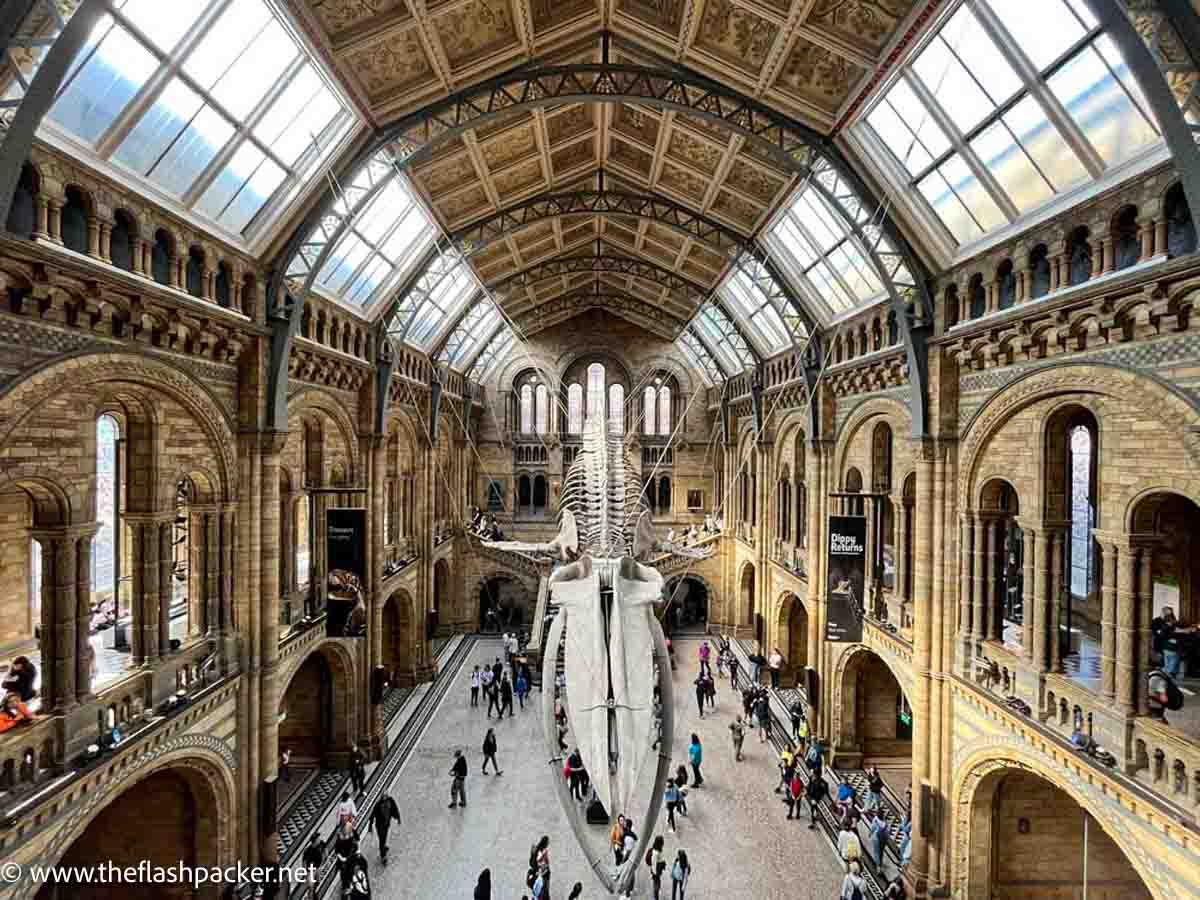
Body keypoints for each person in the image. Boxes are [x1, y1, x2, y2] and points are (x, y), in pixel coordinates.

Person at [370, 792, 401, 863]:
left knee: (384, 837)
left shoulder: (390, 800)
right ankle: (383, 856)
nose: (385, 798)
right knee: (382, 839)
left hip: (386, 824)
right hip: (379, 825)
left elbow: (395, 808)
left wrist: (398, 817)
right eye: (384, 797)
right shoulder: (378, 805)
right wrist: (370, 826)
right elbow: (372, 815)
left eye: (386, 796)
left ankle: (383, 848)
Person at [333, 820, 358, 897]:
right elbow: (336, 851)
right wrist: (342, 858)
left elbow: (356, 843)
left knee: (351, 871)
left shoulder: (351, 837)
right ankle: (345, 887)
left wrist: (357, 851)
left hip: (351, 858)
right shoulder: (339, 839)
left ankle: (349, 885)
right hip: (343, 860)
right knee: (344, 874)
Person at [301, 833, 324, 900]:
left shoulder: (320, 845)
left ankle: (314, 897)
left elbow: (325, 851)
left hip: (318, 868)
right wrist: (305, 873)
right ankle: (310, 898)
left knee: (317, 884)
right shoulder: (308, 850)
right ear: (315, 840)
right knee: (311, 887)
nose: (319, 839)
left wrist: (324, 861)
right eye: (318, 839)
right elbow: (304, 862)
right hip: (310, 871)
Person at [647, 835, 666, 900]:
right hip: (656, 870)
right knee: (656, 883)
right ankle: (656, 896)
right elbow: (653, 863)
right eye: (662, 842)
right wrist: (655, 873)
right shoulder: (655, 852)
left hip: (658, 868)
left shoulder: (658, 849)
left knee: (658, 880)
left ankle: (657, 890)